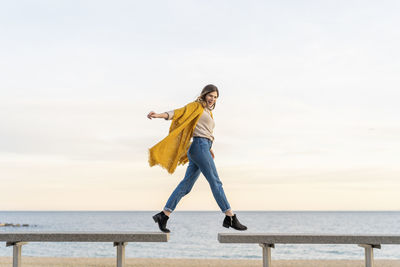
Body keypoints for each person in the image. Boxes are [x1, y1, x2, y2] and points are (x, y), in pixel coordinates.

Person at [147, 84, 247, 233]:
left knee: (186, 186)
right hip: (199, 147)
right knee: (215, 181)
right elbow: (178, 113)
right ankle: (230, 216)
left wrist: (209, 148)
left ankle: (164, 215)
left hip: (202, 148)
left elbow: (204, 131)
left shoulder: (207, 112)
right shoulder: (196, 106)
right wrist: (159, 115)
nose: (212, 99)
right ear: (204, 95)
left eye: (215, 97)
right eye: (210, 96)